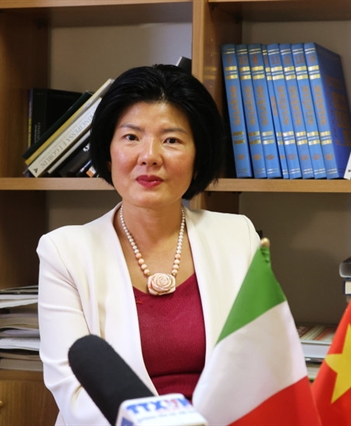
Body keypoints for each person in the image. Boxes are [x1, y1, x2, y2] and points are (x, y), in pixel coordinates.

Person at [37, 64, 261, 425]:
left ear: (198, 156)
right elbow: (74, 393)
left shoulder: (239, 237)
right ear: (108, 152)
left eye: (171, 140)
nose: (149, 156)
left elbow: (260, 366)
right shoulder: (64, 252)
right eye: (131, 137)